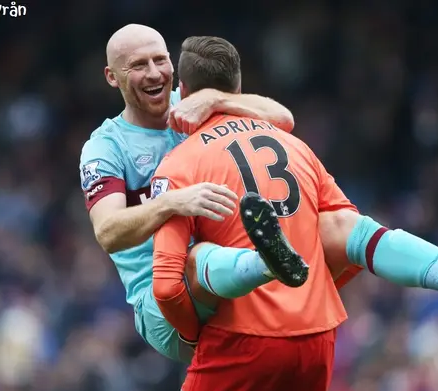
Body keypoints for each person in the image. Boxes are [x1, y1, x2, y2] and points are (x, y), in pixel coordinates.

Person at [151, 36, 438, 391]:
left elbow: (166, 289)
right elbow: (349, 238)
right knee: (342, 224)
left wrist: (194, 333)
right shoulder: (294, 145)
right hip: (314, 332)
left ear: (183, 90)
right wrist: (316, 293)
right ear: (238, 88)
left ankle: (258, 264)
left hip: (238, 336)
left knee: (196, 259)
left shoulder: (178, 164)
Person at [80, 23, 309, 362]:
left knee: (335, 226)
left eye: (160, 60)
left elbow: (282, 119)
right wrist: (171, 201)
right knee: (196, 257)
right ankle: (266, 263)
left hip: (229, 272)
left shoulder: (192, 102)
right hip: (163, 303)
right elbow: (107, 231)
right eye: (139, 65)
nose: (154, 73)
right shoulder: (106, 147)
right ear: (112, 77)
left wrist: (216, 98)